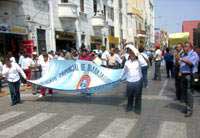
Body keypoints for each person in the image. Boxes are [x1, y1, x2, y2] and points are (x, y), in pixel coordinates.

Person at [121, 44, 143, 114]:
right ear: (129, 55)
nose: (132, 54)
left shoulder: (139, 61)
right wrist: (120, 78)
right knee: (129, 95)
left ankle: (137, 109)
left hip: (138, 81)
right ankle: (129, 107)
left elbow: (146, 64)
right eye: (130, 53)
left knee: (138, 96)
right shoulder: (127, 62)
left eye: (133, 53)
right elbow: (124, 71)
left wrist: (137, 53)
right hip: (129, 81)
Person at [179, 42, 199, 117]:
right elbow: (182, 64)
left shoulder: (194, 54)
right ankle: (187, 107)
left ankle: (190, 110)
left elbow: (191, 63)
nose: (184, 48)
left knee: (189, 93)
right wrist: (180, 71)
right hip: (184, 75)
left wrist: (181, 59)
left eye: (186, 46)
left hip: (190, 75)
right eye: (184, 46)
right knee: (185, 92)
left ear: (190, 47)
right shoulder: (184, 54)